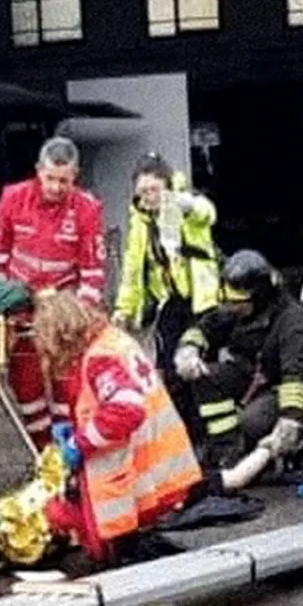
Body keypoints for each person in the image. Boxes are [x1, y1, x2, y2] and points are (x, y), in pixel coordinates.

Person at [34, 290, 203, 566]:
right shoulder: (112, 340)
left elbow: (124, 410)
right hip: (155, 454)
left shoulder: (99, 358)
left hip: (134, 459)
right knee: (141, 544)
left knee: (124, 550)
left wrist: (80, 442)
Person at [0, 136, 108, 447]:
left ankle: (68, 452)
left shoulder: (88, 209)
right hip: (20, 305)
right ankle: (43, 454)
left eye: (63, 181)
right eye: (50, 178)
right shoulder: (12, 197)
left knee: (67, 386)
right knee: (26, 386)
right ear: (39, 170)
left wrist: (77, 318)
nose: (55, 187)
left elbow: (92, 275)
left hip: (62, 306)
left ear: (74, 175)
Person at [110, 154, 235, 465]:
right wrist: (124, 309)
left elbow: (208, 214)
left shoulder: (182, 204)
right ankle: (187, 441)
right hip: (170, 304)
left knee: (201, 373)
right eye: (143, 192)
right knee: (171, 377)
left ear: (166, 186)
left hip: (201, 302)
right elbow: (133, 267)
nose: (149, 198)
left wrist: (181, 203)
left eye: (154, 190)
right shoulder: (140, 219)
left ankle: (215, 442)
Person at [178, 249, 303, 483]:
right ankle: (228, 452)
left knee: (255, 419)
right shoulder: (239, 309)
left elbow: (297, 379)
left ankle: (295, 448)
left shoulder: (293, 323)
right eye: (228, 300)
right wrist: (189, 350)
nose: (231, 307)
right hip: (253, 374)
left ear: (259, 296)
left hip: (293, 386)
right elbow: (205, 328)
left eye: (237, 303)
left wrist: (290, 421)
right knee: (207, 376)